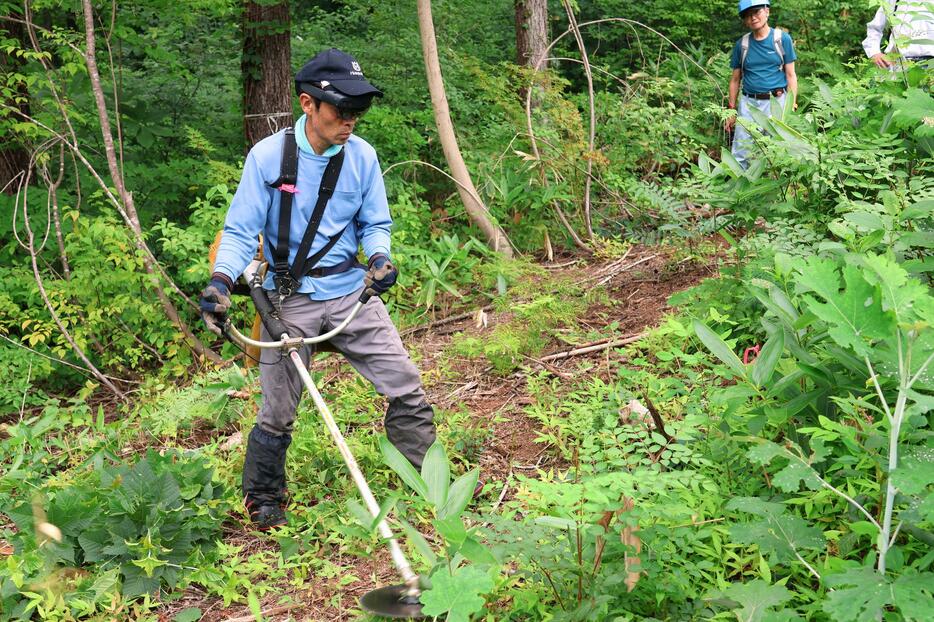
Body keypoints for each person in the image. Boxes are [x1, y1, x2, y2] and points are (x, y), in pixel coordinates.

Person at [199, 48, 437, 529]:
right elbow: (241, 231)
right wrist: (221, 281)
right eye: (341, 110)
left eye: (358, 111)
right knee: (277, 411)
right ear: (308, 104)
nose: (350, 121)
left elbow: (375, 223)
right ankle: (264, 498)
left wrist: (379, 257)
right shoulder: (267, 158)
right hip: (287, 302)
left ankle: (424, 480)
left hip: (351, 294)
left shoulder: (363, 157)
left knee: (407, 386)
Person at [724, 0, 798, 170]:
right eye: (747, 15)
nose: (753, 18)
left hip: (777, 102)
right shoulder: (742, 45)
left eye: (756, 12)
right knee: (741, 150)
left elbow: (791, 75)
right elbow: (735, 80)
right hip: (749, 104)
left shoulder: (781, 39)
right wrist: (731, 109)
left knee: (778, 148)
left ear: (767, 11)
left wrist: (792, 103)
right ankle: (738, 191)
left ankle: (777, 189)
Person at [863, 1, 934, 69]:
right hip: (896, 63)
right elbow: (874, 28)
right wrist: (874, 53)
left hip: (930, 64)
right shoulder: (893, 1)